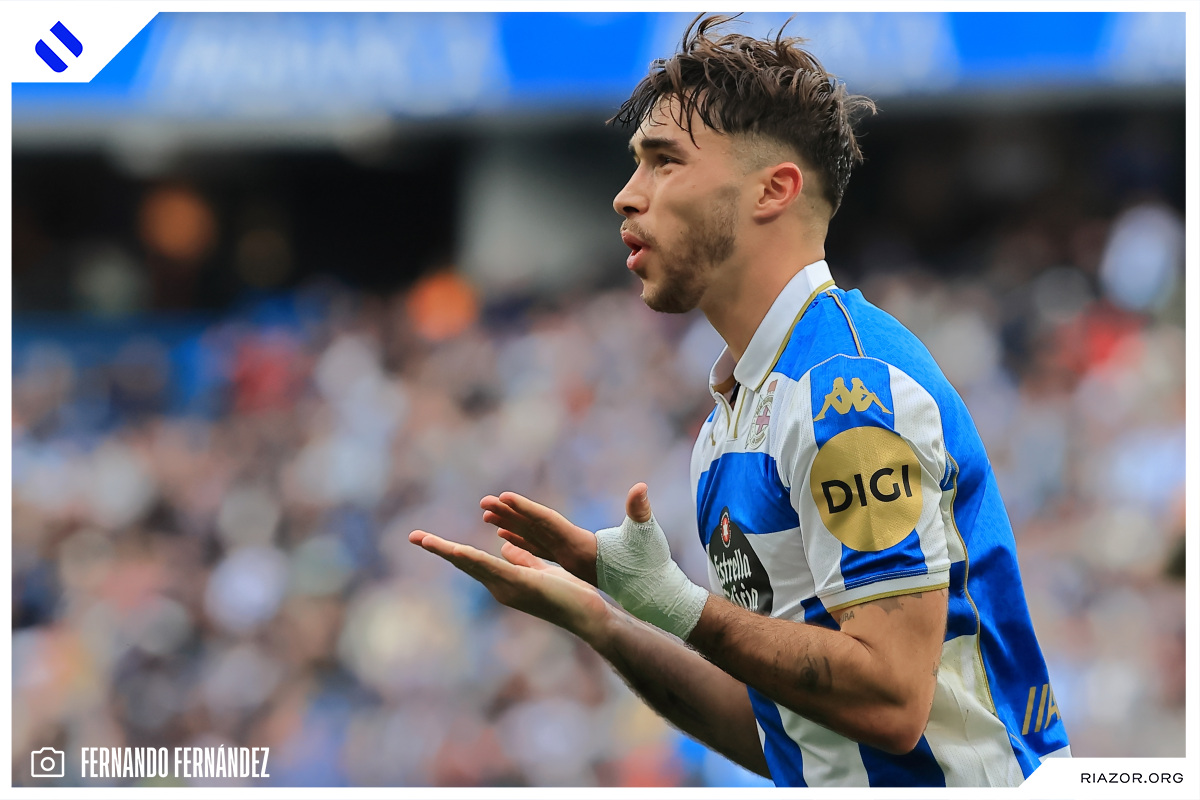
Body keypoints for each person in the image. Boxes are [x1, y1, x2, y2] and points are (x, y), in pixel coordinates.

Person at [409, 15, 1071, 787]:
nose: (626, 197)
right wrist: (602, 615)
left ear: (773, 189)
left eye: (664, 162)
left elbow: (891, 700)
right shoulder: (732, 420)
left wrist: (675, 604)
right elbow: (789, 735)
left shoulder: (847, 393)